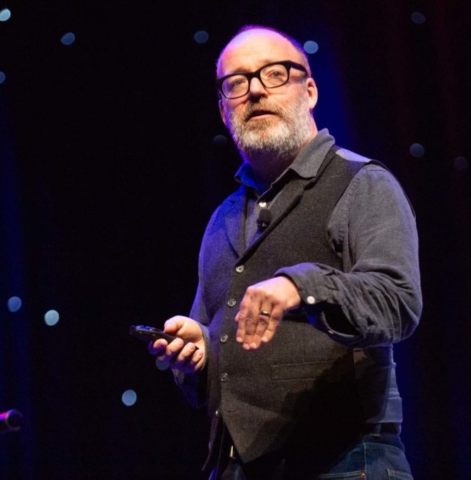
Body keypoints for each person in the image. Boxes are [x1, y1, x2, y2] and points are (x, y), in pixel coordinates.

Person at [148, 24, 422, 480]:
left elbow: (397, 301)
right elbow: (220, 349)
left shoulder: (362, 183)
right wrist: (197, 352)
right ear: (223, 110)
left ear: (309, 91)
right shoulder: (223, 219)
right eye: (236, 83)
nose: (255, 91)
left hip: (346, 462)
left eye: (274, 74)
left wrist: (301, 287)